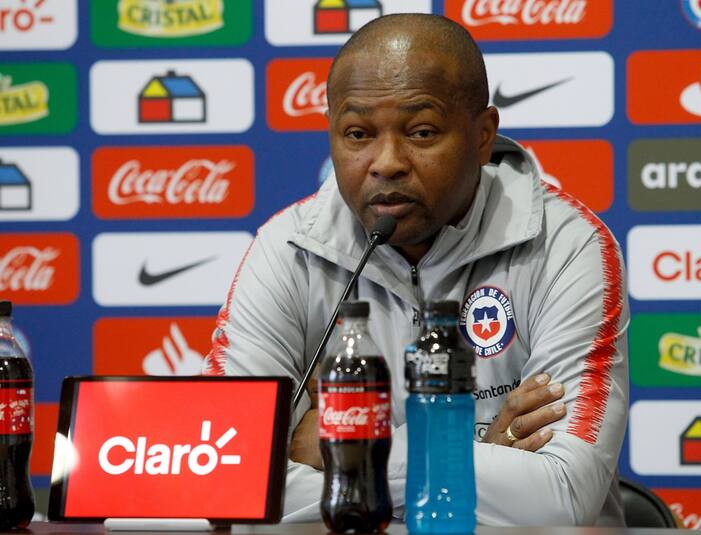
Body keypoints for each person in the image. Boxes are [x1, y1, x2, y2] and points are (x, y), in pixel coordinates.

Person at [205, 13, 629, 526]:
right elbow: (228, 476)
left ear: (482, 134)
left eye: (422, 132)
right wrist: (470, 459)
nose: (386, 162)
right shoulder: (288, 249)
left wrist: (341, 441)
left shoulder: (563, 244)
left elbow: (563, 491)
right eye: (357, 133)